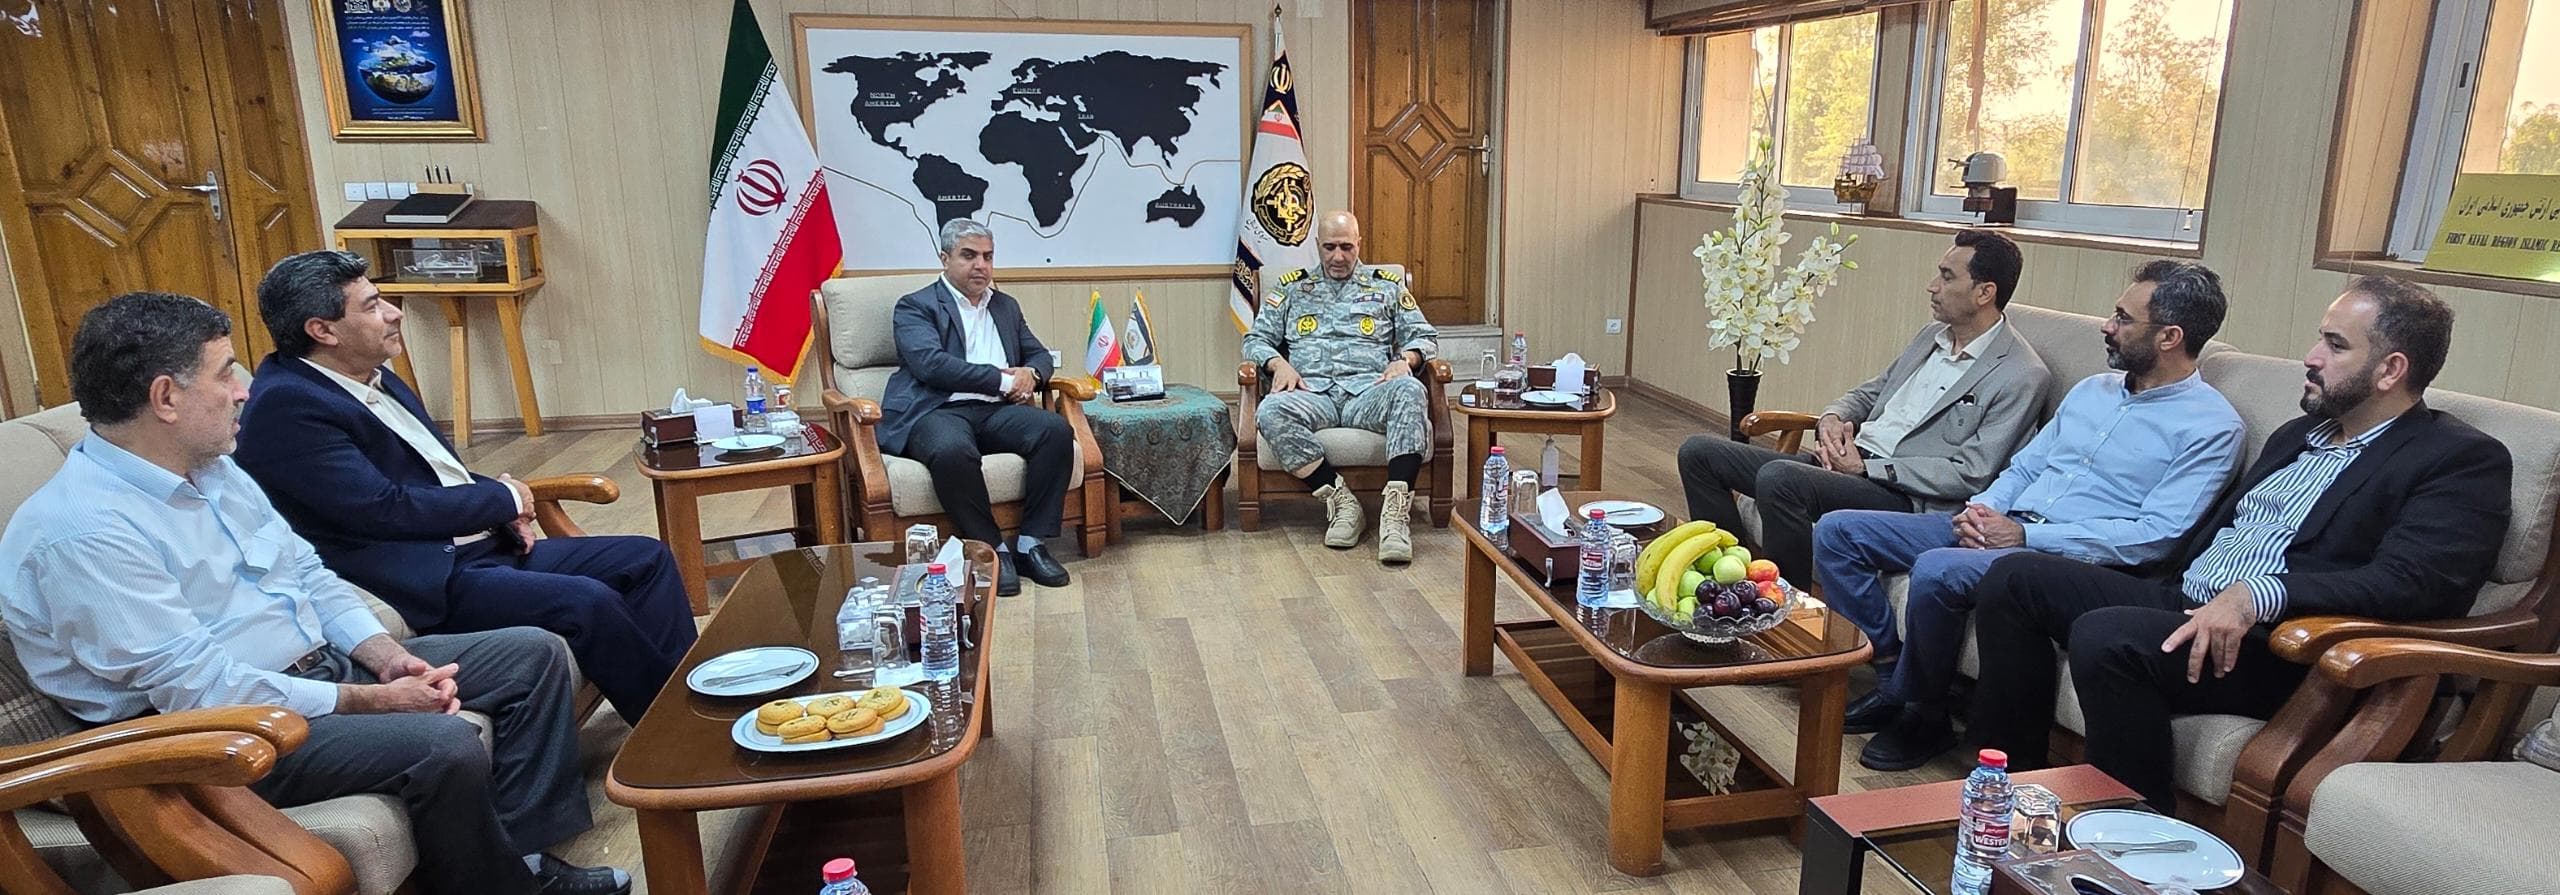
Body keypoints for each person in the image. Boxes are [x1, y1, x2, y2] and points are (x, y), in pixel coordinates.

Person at [0, 292, 626, 895]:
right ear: (166, 397)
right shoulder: (84, 532)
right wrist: (369, 701)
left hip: (312, 669)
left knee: (532, 655)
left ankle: (521, 862)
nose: (244, 390)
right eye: (225, 373)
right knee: (441, 744)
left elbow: (307, 572)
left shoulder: (214, 469)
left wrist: (385, 656)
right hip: (212, 735)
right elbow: (200, 691)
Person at [1968, 277, 2510, 813]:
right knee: (2016, 578)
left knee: (2109, 636)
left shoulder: (2458, 459)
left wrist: (2257, 595)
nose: (2311, 357)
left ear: (2391, 370)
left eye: (2335, 345)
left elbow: (2414, 582)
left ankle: (2135, 836)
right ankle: (2008, 791)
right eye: (2320, 338)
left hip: (2284, 646)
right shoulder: (2299, 433)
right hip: (2186, 600)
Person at [1818, 260, 2247, 772]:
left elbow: (2155, 536)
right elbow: (2026, 466)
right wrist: (1983, 511)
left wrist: (2023, 536)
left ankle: (1924, 713)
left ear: (2170, 337)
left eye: (2123, 318)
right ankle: (1892, 677)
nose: (2108, 326)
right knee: (1839, 531)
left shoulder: (2212, 428)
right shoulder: (2092, 390)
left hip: (2063, 560)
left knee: (1938, 567)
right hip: (2003, 523)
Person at [234, 250, 695, 726]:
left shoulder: (369, 374)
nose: (394, 313)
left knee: (645, 558)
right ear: (323, 330)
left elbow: (436, 472)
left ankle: (686, 703)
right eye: (372, 306)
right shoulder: (286, 406)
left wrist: (500, 506)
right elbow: (381, 508)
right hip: (428, 579)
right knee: (587, 602)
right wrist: (504, 499)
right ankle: (672, 734)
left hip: (476, 550)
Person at [1678, 229, 2050, 579]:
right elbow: (1873, 392)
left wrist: (1868, 469)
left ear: (1984, 293)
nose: (1933, 286)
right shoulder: (1932, 336)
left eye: (1947, 277)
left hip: (1900, 494)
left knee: (1780, 479)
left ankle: (1784, 609)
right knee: (1700, 453)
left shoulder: (2021, 374)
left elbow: (1970, 472)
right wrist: (1832, 417)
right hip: (1848, 465)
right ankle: (1725, 582)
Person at [876, 218, 1074, 597]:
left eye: (987, 256)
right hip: (936, 411)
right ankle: (991, 549)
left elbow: (1038, 354)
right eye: (969, 255)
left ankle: (1031, 543)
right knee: (952, 450)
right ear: (945, 258)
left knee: (1055, 431)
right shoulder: (916, 306)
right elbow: (931, 365)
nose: (980, 265)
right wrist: (1003, 380)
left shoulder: (1005, 306)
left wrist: (1032, 373)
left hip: (995, 412)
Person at [1242, 210, 1440, 564]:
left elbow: (1424, 336)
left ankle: (1395, 517)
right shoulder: (1291, 287)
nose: (1338, 256)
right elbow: (1255, 340)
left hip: (1369, 392)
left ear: (1359, 244)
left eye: (1346, 247)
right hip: (1311, 393)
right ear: (1318, 245)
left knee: (1410, 390)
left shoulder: (1386, 286)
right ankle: (1342, 503)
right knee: (1270, 410)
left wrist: (1406, 360)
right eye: (1330, 247)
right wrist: (1278, 364)